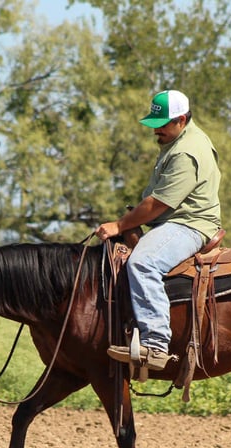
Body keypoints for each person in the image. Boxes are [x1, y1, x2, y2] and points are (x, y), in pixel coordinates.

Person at [95, 89, 222, 371]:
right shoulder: (178, 140)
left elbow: (159, 203)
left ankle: (155, 344)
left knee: (143, 262)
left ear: (180, 120)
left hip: (189, 224)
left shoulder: (187, 152)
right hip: (173, 221)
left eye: (162, 125)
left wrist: (119, 224)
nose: (156, 131)